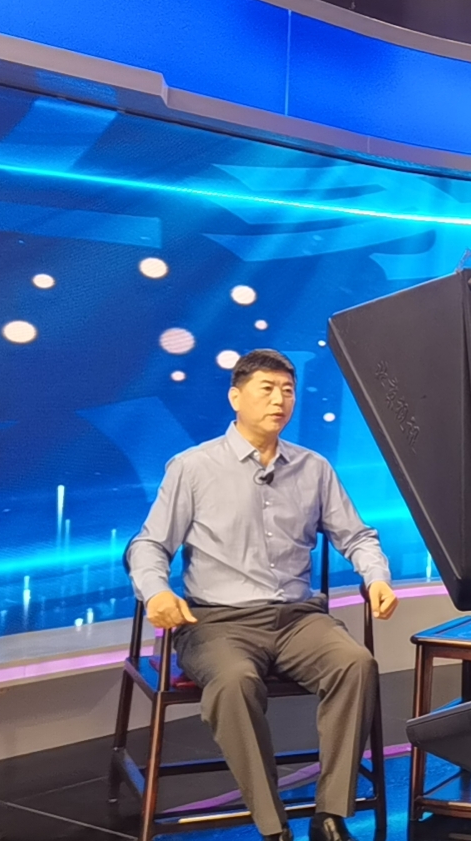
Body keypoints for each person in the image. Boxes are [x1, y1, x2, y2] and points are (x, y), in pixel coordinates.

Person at [127, 349, 398, 841]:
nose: (280, 400)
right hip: (216, 622)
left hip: (298, 619)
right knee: (234, 682)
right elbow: (149, 545)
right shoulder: (193, 467)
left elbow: (357, 536)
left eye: (288, 391)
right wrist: (156, 593)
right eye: (267, 389)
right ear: (236, 397)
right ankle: (273, 826)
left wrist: (376, 576)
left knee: (356, 664)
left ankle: (330, 813)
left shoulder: (314, 468)